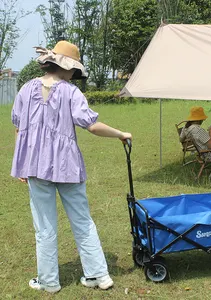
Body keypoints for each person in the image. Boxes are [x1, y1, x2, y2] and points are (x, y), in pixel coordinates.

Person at [11, 41, 132, 293]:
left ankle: (49, 282)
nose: (73, 75)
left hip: (35, 167)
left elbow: (18, 128)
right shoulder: (71, 92)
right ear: (66, 67)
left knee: (44, 226)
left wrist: (22, 164)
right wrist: (120, 133)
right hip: (68, 167)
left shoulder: (25, 89)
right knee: (82, 220)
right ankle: (99, 276)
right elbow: (92, 126)